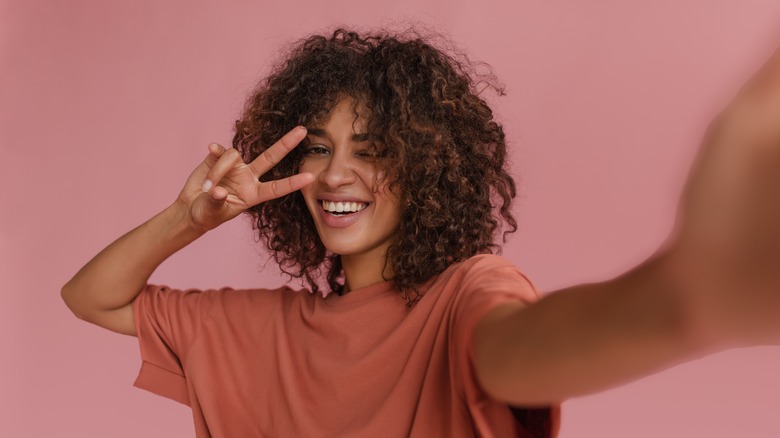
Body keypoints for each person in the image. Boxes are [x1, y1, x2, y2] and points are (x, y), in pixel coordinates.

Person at [61, 28, 780, 438]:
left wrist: (682, 304)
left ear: (430, 167)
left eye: (372, 149)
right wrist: (189, 219)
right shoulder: (260, 331)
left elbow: (518, 352)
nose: (337, 174)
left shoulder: (468, 294)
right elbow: (90, 298)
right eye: (319, 147)